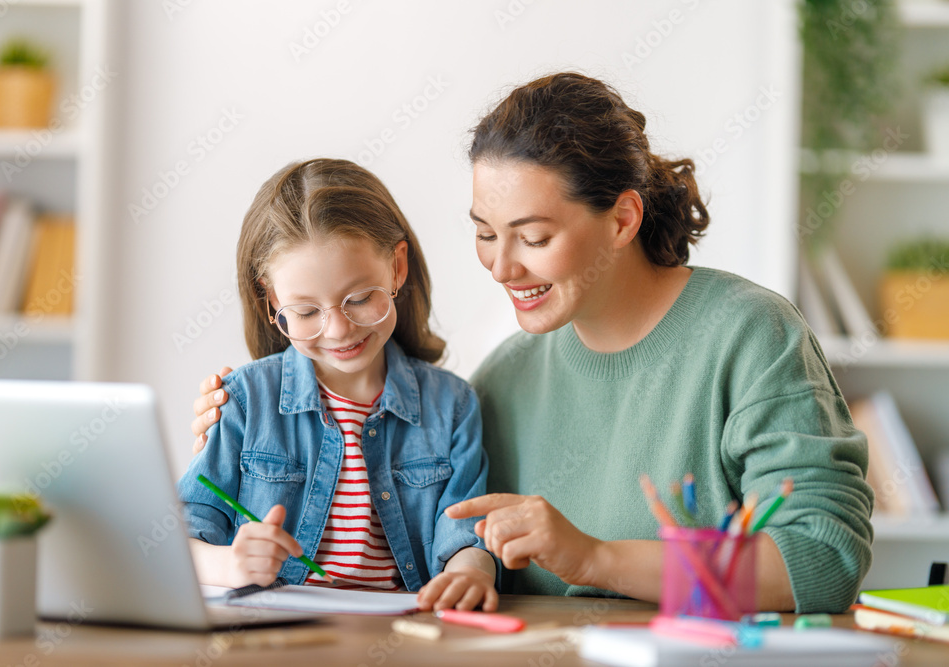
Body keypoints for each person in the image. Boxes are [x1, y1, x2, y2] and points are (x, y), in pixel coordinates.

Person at [191, 73, 873, 614]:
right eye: (486, 233)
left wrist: (596, 558)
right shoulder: (502, 382)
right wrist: (244, 426)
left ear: (622, 218)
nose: (502, 266)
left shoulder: (748, 336)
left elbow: (822, 556)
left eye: (534, 237)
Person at [178, 158, 497, 613]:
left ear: (397, 267)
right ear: (271, 299)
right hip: (275, 641)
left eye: (359, 299)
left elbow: (467, 534)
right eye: (306, 312)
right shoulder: (245, 400)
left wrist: (470, 574)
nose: (338, 330)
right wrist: (231, 564)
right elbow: (177, 537)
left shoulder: (452, 405)